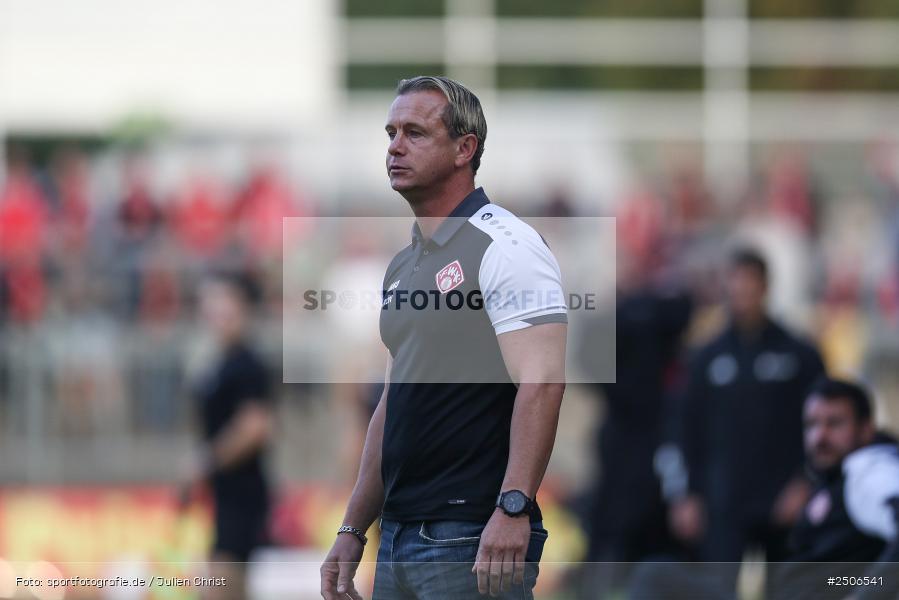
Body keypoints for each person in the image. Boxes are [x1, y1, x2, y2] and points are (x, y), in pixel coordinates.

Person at [319, 75, 567, 600]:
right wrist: (352, 527)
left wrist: (513, 506)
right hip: (400, 532)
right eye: (391, 132)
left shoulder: (507, 245)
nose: (394, 146)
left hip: (473, 533)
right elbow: (394, 399)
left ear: (464, 148)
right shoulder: (403, 263)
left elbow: (542, 382)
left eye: (415, 132)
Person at [667, 248, 825, 592]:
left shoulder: (799, 354)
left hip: (783, 499)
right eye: (735, 288)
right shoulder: (705, 358)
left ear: (766, 288)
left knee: (790, 590)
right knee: (717, 590)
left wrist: (805, 482)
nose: (741, 298)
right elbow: (683, 430)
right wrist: (685, 494)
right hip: (721, 501)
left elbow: (823, 425)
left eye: (749, 288)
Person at [183, 272, 275, 599]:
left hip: (241, 492)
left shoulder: (246, 363)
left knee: (223, 583)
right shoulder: (220, 362)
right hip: (226, 493)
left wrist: (209, 460)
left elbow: (255, 426)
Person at [775, 378, 899, 600]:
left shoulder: (869, 469)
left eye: (834, 423)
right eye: (811, 424)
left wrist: (864, 595)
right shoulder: (831, 477)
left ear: (866, 429)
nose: (819, 436)